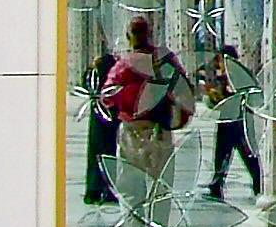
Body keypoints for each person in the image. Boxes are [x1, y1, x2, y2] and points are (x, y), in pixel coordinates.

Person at [102, 16, 196, 195]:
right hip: (158, 132)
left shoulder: (124, 65)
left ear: (128, 36)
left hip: (133, 132)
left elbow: (107, 97)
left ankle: (136, 224)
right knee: (160, 191)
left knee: (131, 192)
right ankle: (157, 223)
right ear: (150, 34)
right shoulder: (163, 61)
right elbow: (184, 91)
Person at [200, 44, 261, 203]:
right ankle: (217, 185)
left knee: (246, 154)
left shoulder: (236, 75)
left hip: (237, 121)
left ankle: (258, 183)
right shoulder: (224, 76)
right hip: (227, 119)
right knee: (222, 154)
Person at [80, 50, 119, 206]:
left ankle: (93, 191)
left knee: (94, 154)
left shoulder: (94, 73)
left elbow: (86, 83)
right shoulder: (114, 71)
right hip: (110, 117)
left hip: (98, 117)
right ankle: (106, 190)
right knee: (108, 154)